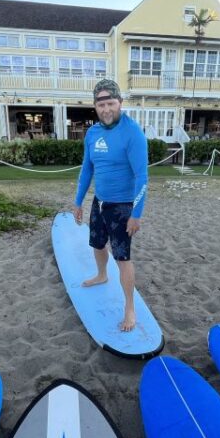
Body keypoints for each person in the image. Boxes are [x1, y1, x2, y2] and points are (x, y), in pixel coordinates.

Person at [72, 79, 148, 333]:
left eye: (110, 103)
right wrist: (78, 201)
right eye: (101, 104)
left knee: (123, 257)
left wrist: (136, 214)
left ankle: (130, 307)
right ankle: (101, 275)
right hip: (100, 202)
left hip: (122, 206)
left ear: (120, 103)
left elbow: (142, 176)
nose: (106, 109)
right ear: (95, 106)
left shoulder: (133, 133)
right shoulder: (92, 133)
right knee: (96, 243)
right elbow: (86, 169)